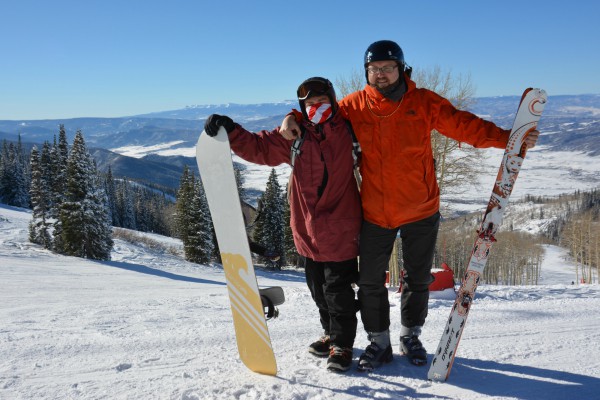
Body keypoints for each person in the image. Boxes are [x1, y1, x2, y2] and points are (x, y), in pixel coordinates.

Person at [280, 40, 540, 372]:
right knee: (371, 282)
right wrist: (290, 117)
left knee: (417, 279)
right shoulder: (354, 106)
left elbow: (465, 126)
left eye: (388, 67)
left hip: (421, 209)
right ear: (367, 73)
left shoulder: (423, 101)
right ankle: (379, 341)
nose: (381, 74)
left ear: (401, 68)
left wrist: (509, 139)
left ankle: (410, 335)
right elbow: (319, 114)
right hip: (376, 212)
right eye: (374, 69)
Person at [203, 77, 362, 372]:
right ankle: (330, 334)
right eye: (310, 104)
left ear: (333, 100)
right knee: (317, 289)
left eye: (322, 102)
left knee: (338, 292)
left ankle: (343, 345)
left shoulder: (350, 130)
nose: (316, 108)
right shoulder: (296, 136)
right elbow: (259, 147)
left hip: (341, 229)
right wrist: (232, 129)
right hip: (308, 231)